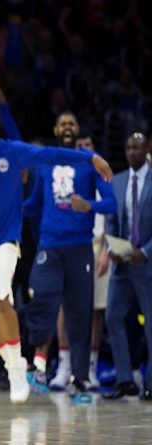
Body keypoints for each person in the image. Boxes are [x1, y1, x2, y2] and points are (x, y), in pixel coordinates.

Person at [0, 110, 112, 404]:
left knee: (0, 295)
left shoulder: (10, 152)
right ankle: (13, 364)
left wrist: (89, 158)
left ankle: (18, 367)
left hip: (6, 240)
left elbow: (50, 154)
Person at [23, 112, 116, 403]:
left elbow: (111, 203)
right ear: (55, 129)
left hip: (79, 247)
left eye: (71, 123)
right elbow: (34, 203)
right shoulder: (46, 163)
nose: (67, 127)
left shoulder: (91, 162)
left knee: (79, 313)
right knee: (42, 298)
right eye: (62, 123)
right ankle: (38, 365)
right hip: (49, 245)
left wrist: (88, 205)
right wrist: (7, 208)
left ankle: (79, 379)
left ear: (77, 130)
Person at [47, 134, 111, 391]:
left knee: (94, 312)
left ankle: (90, 368)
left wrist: (107, 249)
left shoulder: (102, 171)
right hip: (76, 245)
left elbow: (114, 213)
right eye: (80, 146)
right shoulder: (69, 173)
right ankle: (64, 366)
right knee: (65, 308)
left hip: (100, 246)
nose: (83, 149)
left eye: (88, 145)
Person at [104, 133, 152, 401]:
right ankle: (125, 381)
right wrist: (111, 247)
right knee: (113, 316)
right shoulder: (119, 180)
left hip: (147, 262)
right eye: (129, 148)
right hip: (122, 264)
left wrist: (145, 251)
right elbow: (112, 219)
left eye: (137, 147)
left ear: (147, 149)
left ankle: (150, 383)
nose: (132, 152)